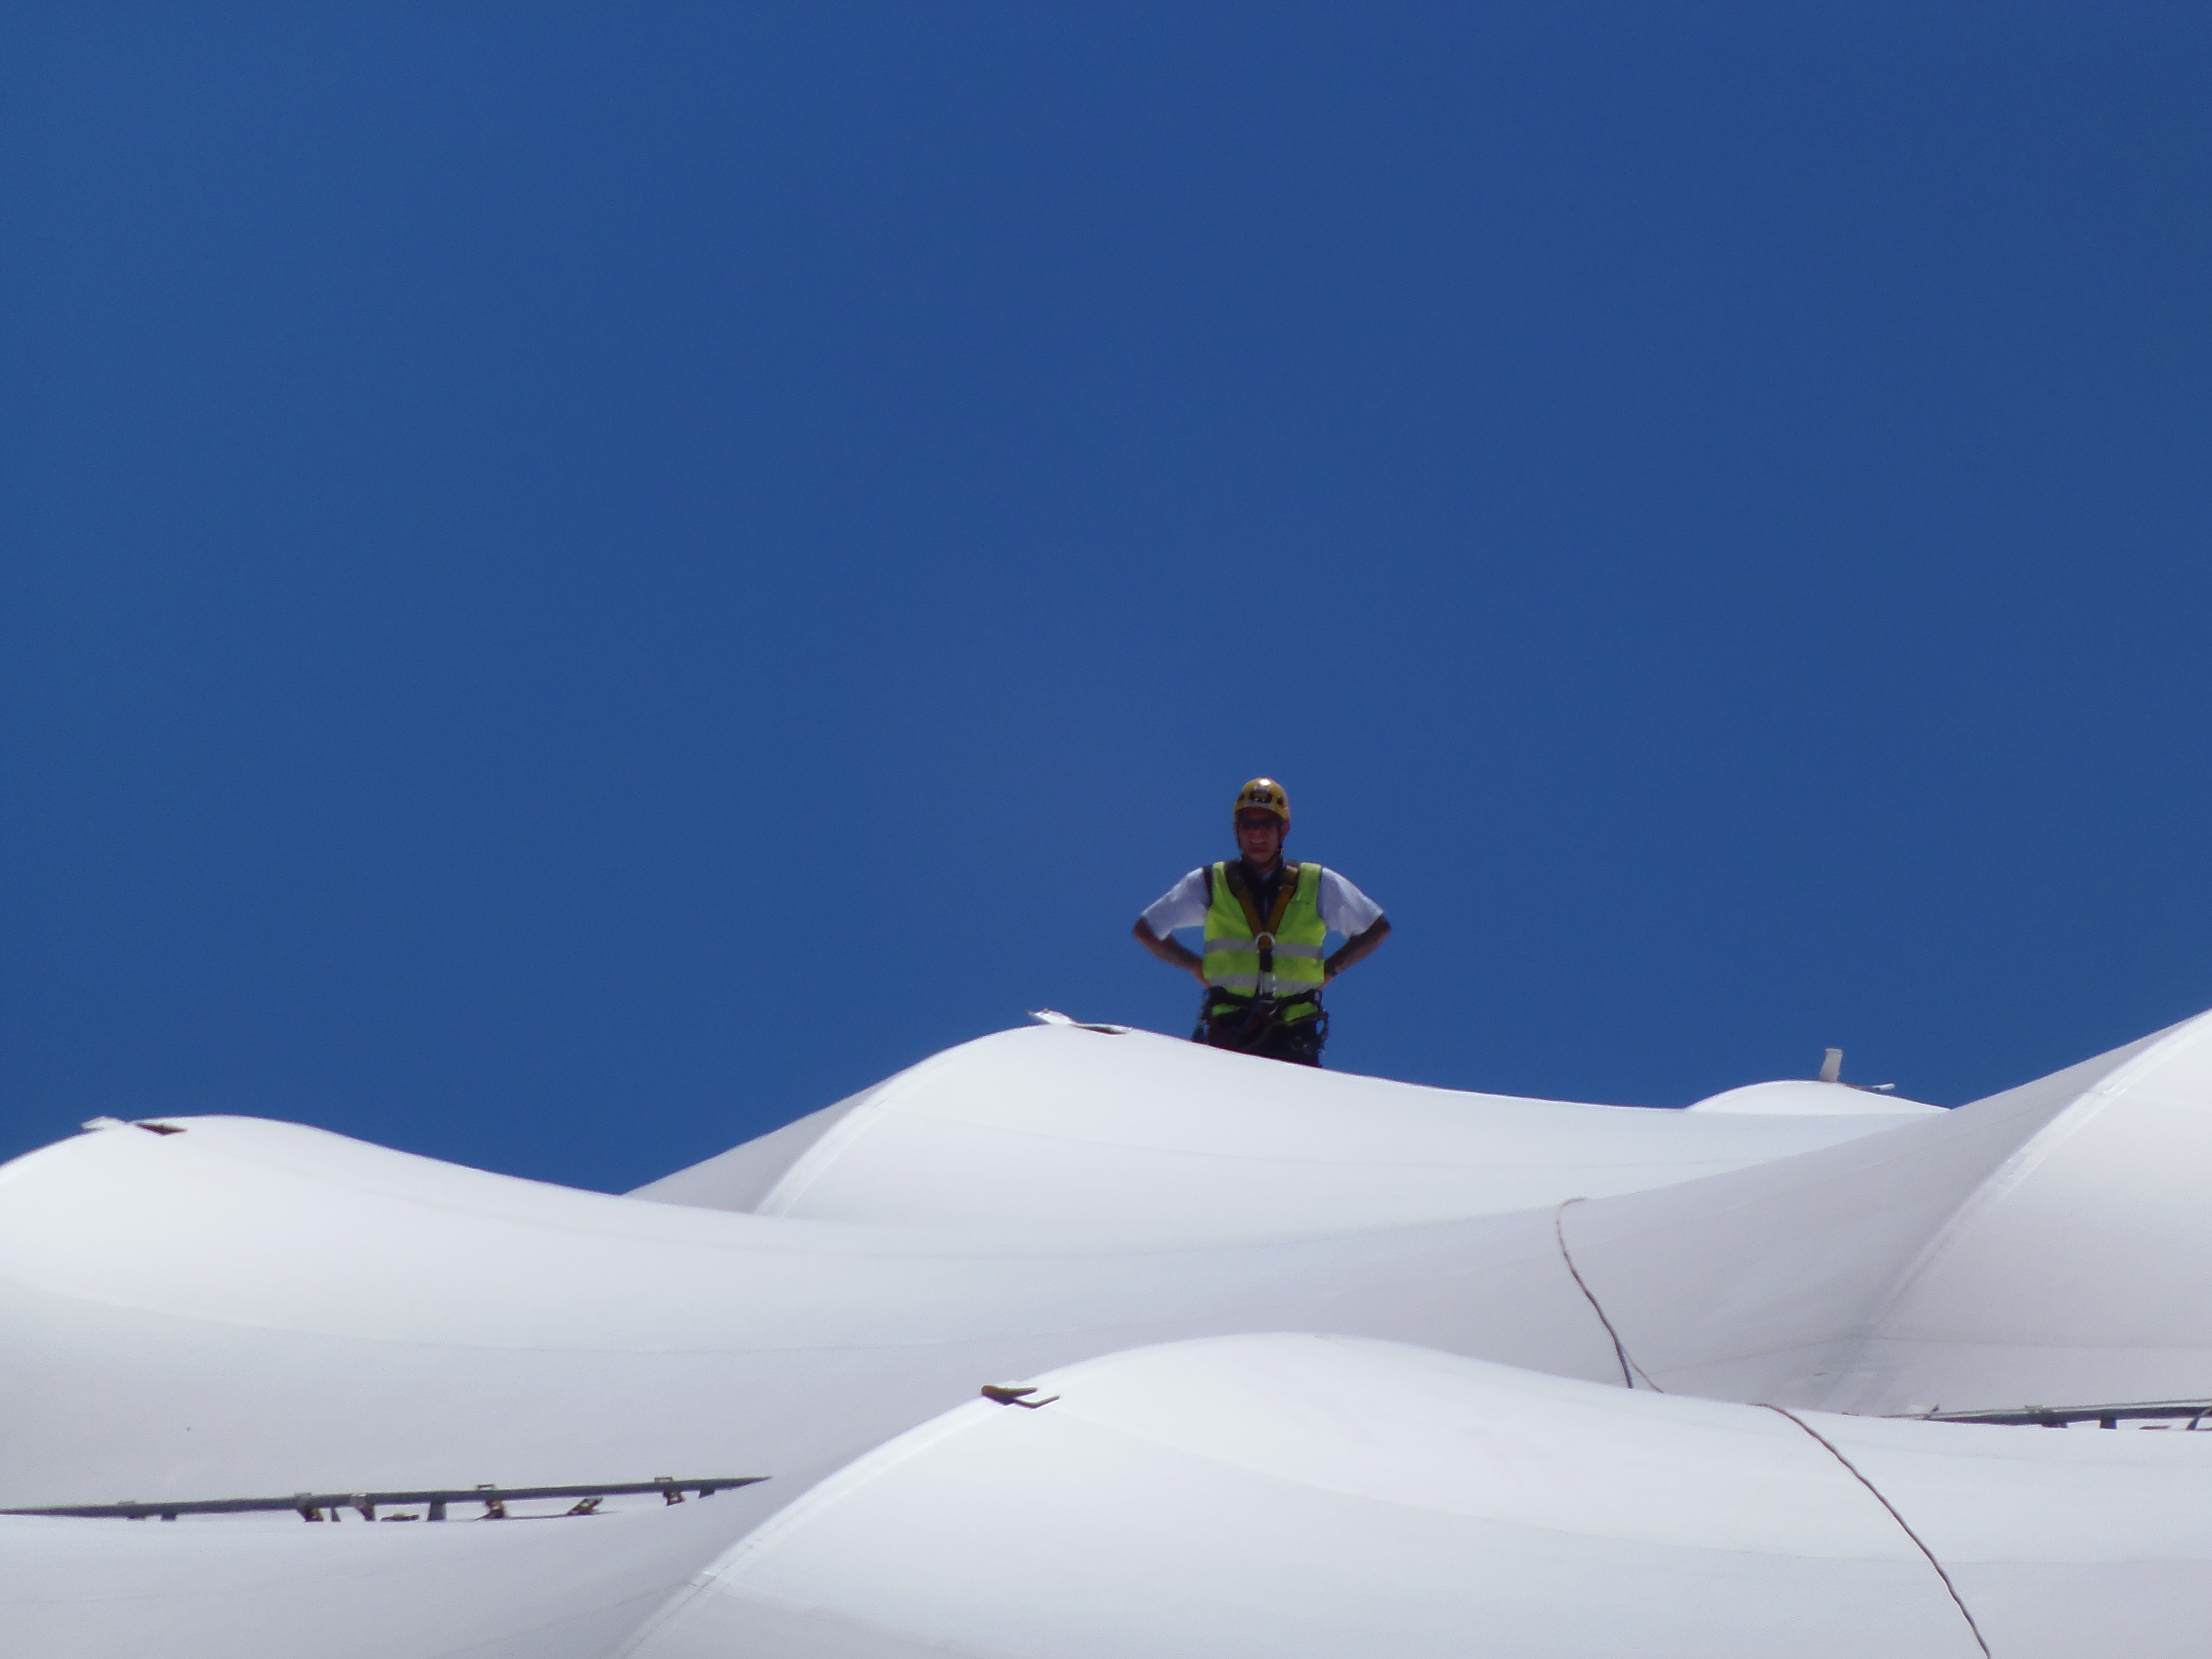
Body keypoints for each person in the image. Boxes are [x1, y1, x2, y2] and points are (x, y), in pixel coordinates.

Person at [1132, 778, 1391, 1066]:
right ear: (1237, 830)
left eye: (1266, 823)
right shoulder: (1210, 883)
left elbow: (1376, 928)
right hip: (1230, 1029)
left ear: (1284, 829)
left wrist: (1332, 968)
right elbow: (1147, 930)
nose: (1257, 833)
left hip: (1295, 1032)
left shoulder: (1317, 883)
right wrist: (1193, 964)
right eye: (1248, 824)